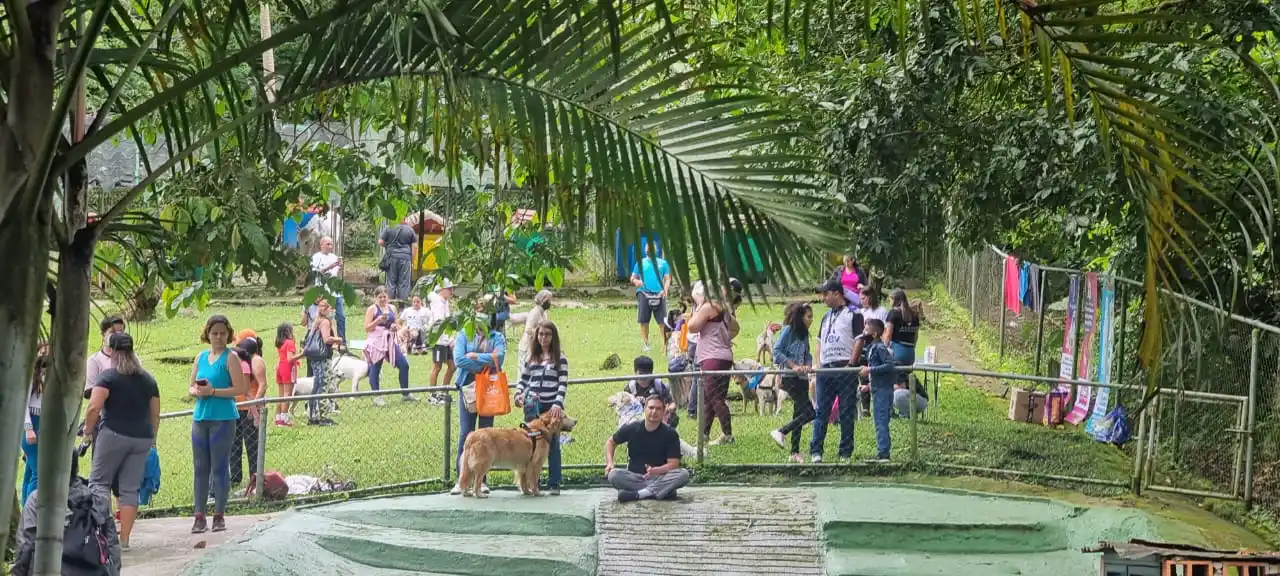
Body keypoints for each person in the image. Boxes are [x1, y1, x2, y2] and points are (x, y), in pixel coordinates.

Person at [83, 332, 159, 550]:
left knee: (99, 483)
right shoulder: (148, 380)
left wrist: (88, 432)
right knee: (129, 489)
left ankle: (102, 536)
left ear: (113, 352)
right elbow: (155, 414)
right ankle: (124, 540)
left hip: (113, 434)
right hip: (142, 438)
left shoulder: (107, 377)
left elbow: (93, 407)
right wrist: (152, 439)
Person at [14, 449, 121, 576]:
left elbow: (26, 545)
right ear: (76, 467)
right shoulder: (94, 498)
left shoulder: (38, 499)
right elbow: (112, 545)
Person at [188, 314, 248, 534]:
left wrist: (214, 391)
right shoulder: (200, 357)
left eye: (223, 333)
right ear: (208, 335)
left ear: (228, 334)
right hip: (201, 416)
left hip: (223, 417)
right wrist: (198, 391)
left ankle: (219, 514)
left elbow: (240, 389)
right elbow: (191, 386)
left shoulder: (231, 358)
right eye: (215, 333)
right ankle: (199, 514)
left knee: (220, 466)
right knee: (200, 467)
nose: (219, 337)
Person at [449, 299, 507, 495]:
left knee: (486, 435)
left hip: (489, 390)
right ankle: (461, 480)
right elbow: (459, 360)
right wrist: (484, 363)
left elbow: (499, 358)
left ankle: (481, 481)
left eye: (485, 311)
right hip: (468, 388)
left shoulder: (497, 337)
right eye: (478, 311)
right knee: (466, 433)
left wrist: (475, 357)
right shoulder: (464, 334)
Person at [514, 320, 568, 495]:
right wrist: (518, 393)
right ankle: (530, 483)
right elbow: (523, 380)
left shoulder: (560, 357)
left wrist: (558, 403)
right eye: (541, 334)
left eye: (547, 334)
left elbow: (562, 383)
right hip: (531, 405)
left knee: (552, 445)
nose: (544, 338)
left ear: (553, 337)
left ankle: (554, 483)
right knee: (529, 445)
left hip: (550, 407)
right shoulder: (531, 357)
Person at [605, 395, 692, 502]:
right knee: (613, 475)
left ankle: (639, 494)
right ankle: (659, 492)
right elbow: (611, 442)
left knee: (683, 474)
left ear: (664, 411)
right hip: (635, 478)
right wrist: (610, 463)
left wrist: (656, 470)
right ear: (644, 409)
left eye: (658, 408)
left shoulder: (670, 434)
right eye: (651, 408)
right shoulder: (633, 427)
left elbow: (673, 464)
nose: (654, 411)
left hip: (659, 477)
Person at [810, 279, 860, 463]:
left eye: (825, 294)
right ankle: (816, 451)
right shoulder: (825, 317)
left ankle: (845, 452)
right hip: (826, 369)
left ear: (837, 293)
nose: (823, 298)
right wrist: (819, 364)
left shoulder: (853, 314)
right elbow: (818, 342)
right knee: (821, 411)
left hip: (844, 366)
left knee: (846, 410)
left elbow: (859, 339)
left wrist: (851, 363)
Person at [688, 278, 742, 447]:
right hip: (724, 357)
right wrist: (723, 339)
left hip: (711, 358)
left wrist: (698, 306)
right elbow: (735, 328)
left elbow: (692, 326)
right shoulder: (725, 309)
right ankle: (703, 435)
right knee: (709, 399)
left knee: (715, 398)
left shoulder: (709, 307)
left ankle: (728, 435)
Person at [769, 303, 815, 463]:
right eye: (808, 317)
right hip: (790, 377)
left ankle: (794, 452)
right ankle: (781, 431)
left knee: (799, 414)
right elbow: (776, 351)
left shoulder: (804, 334)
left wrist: (808, 364)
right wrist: (793, 366)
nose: (811, 320)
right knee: (810, 413)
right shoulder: (788, 331)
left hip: (802, 378)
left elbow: (807, 353)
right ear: (800, 317)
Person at [364, 286, 414, 405]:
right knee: (375, 367)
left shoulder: (392, 308)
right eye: (380, 297)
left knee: (404, 365)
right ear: (375, 298)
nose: (382, 299)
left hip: (389, 340)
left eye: (384, 296)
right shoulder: (372, 309)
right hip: (376, 341)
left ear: (388, 297)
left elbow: (396, 323)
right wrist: (378, 321)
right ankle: (377, 396)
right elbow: (367, 328)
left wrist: (403, 330)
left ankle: (405, 393)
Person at [230, 335, 267, 489]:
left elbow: (263, 385)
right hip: (235, 408)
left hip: (249, 410)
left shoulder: (256, 361)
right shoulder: (239, 360)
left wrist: (254, 406)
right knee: (234, 444)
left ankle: (255, 477)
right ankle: (235, 478)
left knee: (252, 446)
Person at [859, 319, 897, 460]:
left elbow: (889, 365)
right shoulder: (871, 348)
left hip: (882, 390)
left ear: (874, 334)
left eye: (866, 330)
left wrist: (870, 369)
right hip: (876, 389)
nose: (864, 333)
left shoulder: (880, 348)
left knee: (881, 422)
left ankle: (883, 454)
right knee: (879, 422)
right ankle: (883, 451)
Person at [305, 298, 344, 425]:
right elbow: (326, 339)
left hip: (314, 357)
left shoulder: (316, 321)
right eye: (331, 309)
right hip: (323, 357)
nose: (332, 311)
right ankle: (322, 415)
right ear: (328, 309)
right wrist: (338, 340)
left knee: (316, 385)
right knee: (323, 384)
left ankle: (313, 414)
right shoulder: (325, 322)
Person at [630, 244, 672, 352]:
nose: (649, 249)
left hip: (660, 294)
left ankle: (665, 345)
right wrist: (636, 281)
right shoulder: (640, 263)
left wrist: (665, 290)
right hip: (643, 293)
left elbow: (667, 279)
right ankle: (646, 344)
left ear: (656, 249)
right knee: (643, 321)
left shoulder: (663, 263)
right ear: (645, 250)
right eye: (648, 247)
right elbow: (632, 277)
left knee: (663, 321)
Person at [21, 344, 48, 505]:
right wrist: (28, 427)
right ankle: (31, 510)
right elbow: (22, 403)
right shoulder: (31, 376)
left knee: (30, 471)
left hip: (44, 422)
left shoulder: (49, 374)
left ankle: (26, 508)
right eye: (43, 352)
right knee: (39, 473)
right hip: (32, 420)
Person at [625, 355, 678, 427]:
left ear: (651, 373)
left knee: (673, 418)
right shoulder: (631, 387)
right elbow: (624, 409)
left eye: (647, 374)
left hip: (656, 418)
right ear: (635, 372)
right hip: (637, 421)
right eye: (641, 374)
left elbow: (672, 403)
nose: (644, 378)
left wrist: (669, 409)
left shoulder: (658, 384)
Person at [310, 235, 346, 340]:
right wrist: (331, 266)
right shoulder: (316, 257)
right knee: (323, 318)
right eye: (328, 244)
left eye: (331, 244)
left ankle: (342, 341)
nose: (330, 246)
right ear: (321, 245)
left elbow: (334, 274)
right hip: (323, 292)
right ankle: (317, 339)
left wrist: (339, 267)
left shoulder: (334, 257)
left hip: (335, 291)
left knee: (341, 316)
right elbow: (317, 273)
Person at [512, 289, 554, 379]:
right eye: (549, 300)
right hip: (526, 347)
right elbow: (528, 329)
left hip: (535, 346)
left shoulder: (543, 313)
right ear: (543, 300)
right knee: (523, 371)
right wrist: (540, 332)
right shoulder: (535, 312)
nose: (550, 302)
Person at [85, 315, 129, 398]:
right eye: (112, 332)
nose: (117, 336)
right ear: (103, 334)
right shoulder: (94, 361)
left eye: (120, 332)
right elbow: (88, 392)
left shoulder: (130, 359)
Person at [884, 288, 921, 379]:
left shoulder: (893, 313)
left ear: (895, 300)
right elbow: (916, 336)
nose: (889, 301)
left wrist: (884, 347)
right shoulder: (914, 315)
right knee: (906, 379)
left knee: (896, 381)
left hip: (897, 351)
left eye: (890, 299)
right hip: (910, 353)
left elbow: (888, 334)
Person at [379, 219, 417, 302]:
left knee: (391, 282)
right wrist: (412, 261)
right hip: (405, 258)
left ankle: (389, 304)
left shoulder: (388, 228)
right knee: (404, 282)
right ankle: (402, 305)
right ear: (404, 219)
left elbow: (380, 242)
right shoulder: (410, 230)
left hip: (392, 257)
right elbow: (414, 247)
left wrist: (388, 245)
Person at [428, 280, 457, 387]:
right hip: (439, 341)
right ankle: (432, 394)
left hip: (446, 341)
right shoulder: (438, 304)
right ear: (442, 290)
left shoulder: (445, 303)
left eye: (451, 288)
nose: (451, 291)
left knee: (452, 366)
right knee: (437, 367)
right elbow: (440, 324)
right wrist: (449, 340)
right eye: (449, 289)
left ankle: (443, 391)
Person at [274, 323, 303, 426]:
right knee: (287, 394)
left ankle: (278, 418)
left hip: (280, 367)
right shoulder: (290, 343)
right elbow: (290, 358)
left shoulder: (280, 343)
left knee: (281, 395)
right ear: (288, 332)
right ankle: (285, 418)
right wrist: (303, 354)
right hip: (288, 369)